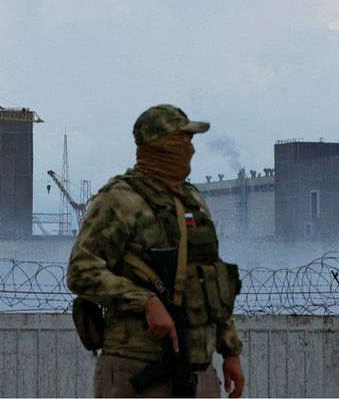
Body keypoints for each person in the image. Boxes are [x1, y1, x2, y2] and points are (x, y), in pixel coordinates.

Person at [67, 104, 246, 398]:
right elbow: (82, 271)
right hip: (137, 369)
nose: (190, 149)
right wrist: (146, 301)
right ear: (159, 146)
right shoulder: (119, 200)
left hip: (199, 371)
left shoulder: (192, 199)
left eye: (191, 141)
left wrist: (230, 351)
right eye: (183, 140)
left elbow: (212, 282)